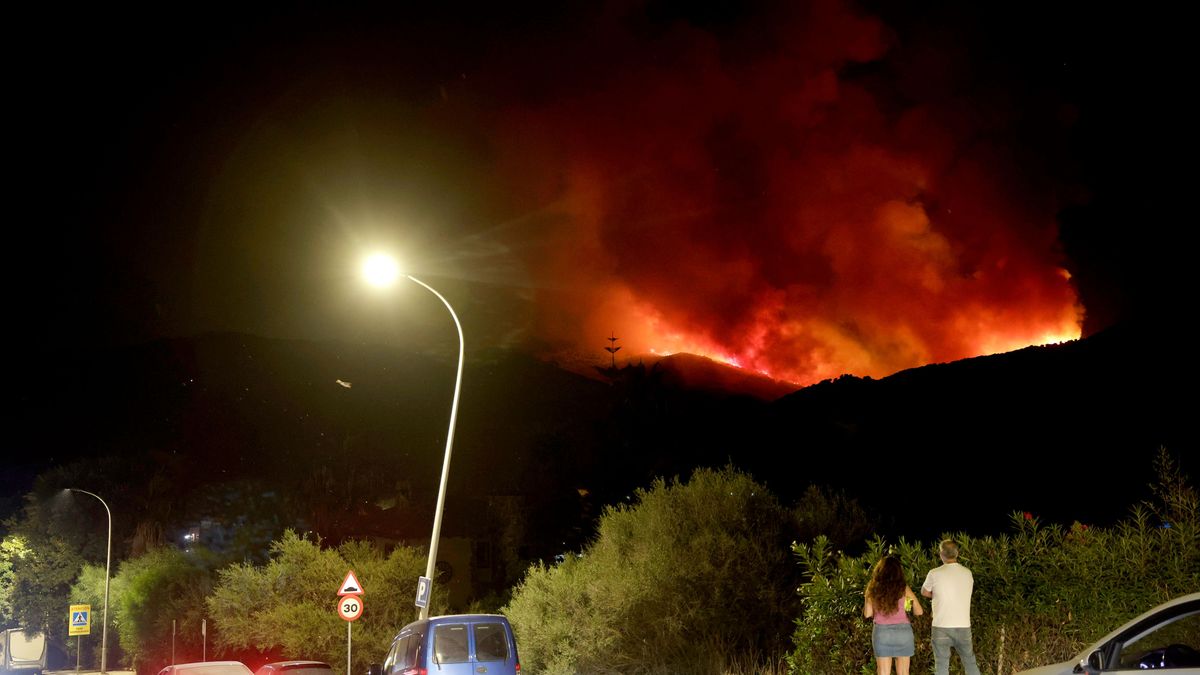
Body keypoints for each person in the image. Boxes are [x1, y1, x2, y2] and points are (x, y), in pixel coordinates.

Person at [921, 539, 981, 675]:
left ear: (941, 554)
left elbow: (924, 592)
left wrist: (937, 595)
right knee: (970, 663)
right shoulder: (967, 573)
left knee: (941, 665)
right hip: (963, 625)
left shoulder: (934, 573)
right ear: (957, 553)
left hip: (941, 626)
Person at [863, 555, 924, 675]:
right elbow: (919, 611)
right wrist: (905, 606)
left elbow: (867, 614)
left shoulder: (872, 588)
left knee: (883, 672)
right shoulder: (903, 588)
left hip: (882, 634)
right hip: (903, 633)